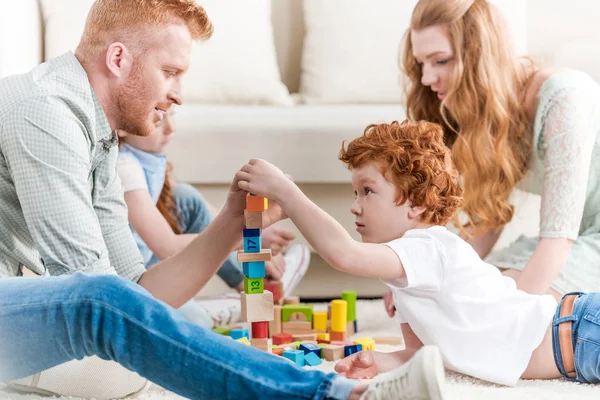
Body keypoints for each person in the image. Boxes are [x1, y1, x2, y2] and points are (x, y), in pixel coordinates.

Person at [0, 1, 443, 399]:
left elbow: (139, 296)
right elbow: (100, 303)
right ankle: (336, 395)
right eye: (170, 72)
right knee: (118, 344)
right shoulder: (46, 113)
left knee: (132, 351)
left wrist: (232, 223)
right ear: (118, 58)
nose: (178, 95)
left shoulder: (99, 138)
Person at [236, 119, 600, 386]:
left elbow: (342, 255)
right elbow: (423, 354)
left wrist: (287, 193)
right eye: (354, 193)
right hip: (578, 348)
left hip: (582, 329)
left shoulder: (428, 250)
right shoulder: (407, 274)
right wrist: (381, 360)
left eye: (367, 191)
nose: (355, 207)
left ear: (415, 202)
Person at [379, 0, 600, 320]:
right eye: (421, 64)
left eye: (440, 61)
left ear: (481, 58)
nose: (426, 78)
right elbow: (489, 218)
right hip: (578, 237)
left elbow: (558, 239)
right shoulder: (494, 111)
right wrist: (425, 271)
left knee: (497, 301)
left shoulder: (564, 99)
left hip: (572, 239)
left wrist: (509, 325)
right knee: (465, 289)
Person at [117, 109, 311, 328]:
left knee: (187, 198)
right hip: (135, 276)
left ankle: (254, 290)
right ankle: (225, 308)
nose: (171, 127)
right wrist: (247, 240)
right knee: (191, 320)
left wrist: (253, 232)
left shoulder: (148, 157)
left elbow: (213, 215)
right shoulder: (125, 167)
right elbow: (167, 247)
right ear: (122, 127)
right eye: (159, 120)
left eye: (172, 115)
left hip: (146, 258)